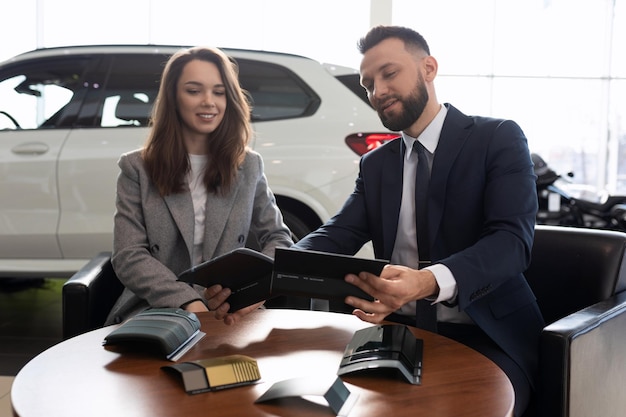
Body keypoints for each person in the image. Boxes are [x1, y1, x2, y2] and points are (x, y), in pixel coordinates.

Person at [207, 26, 543, 416]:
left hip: (485, 334)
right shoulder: (377, 163)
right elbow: (336, 234)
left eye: (389, 73)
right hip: (397, 333)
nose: (377, 90)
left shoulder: (497, 138)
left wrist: (427, 281)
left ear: (429, 68)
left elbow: (511, 243)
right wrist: (265, 280)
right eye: (368, 84)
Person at [105, 46, 293, 326]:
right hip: (159, 306)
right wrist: (188, 302)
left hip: (231, 307)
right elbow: (128, 255)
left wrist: (254, 290)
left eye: (218, 92)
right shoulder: (137, 168)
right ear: (173, 97)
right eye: (194, 91)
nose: (209, 102)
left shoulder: (248, 165)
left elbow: (279, 238)